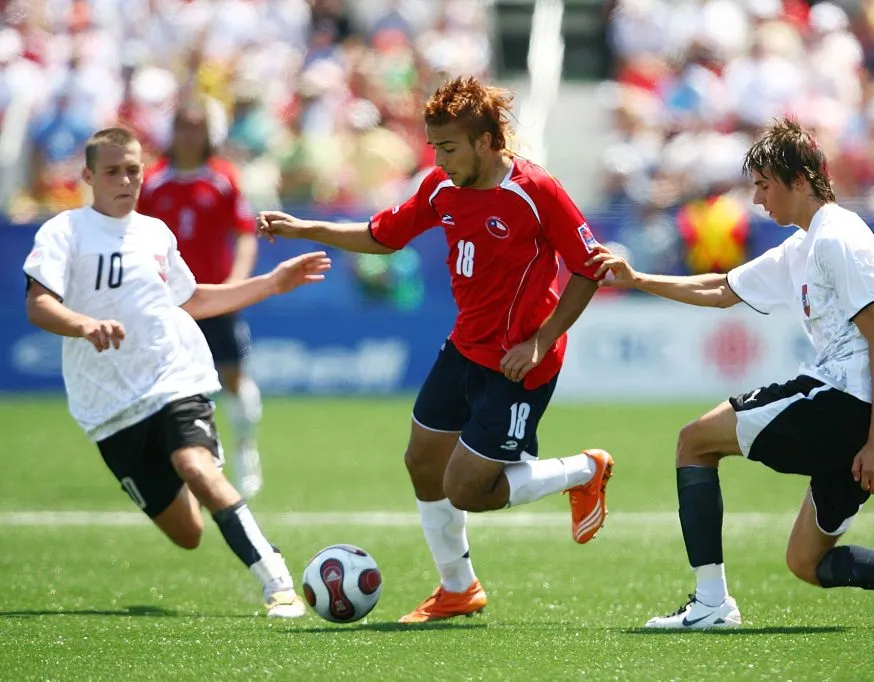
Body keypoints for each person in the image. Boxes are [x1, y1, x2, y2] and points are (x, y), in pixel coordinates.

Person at [587, 117, 874, 632]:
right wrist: (637, 281)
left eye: (765, 186)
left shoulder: (839, 237)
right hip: (865, 411)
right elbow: (723, 289)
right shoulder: (803, 245)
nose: (759, 200)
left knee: (694, 442)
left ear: (802, 180)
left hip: (849, 402)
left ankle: (710, 604)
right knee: (807, 563)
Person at [259, 76, 614, 623]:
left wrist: (540, 341)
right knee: (422, 462)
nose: (440, 159)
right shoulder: (440, 188)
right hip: (465, 348)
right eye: (435, 148)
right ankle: (458, 588)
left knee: (469, 488)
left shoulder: (534, 191)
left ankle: (584, 470)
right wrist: (306, 227)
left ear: (487, 142)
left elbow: (593, 268)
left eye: (449, 147)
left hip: (520, 365)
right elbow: (384, 236)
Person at [23, 127, 332, 618]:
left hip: (174, 379)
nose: (125, 180)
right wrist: (84, 324)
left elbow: (194, 300)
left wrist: (270, 284)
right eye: (112, 171)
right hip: (108, 407)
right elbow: (39, 305)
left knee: (196, 466)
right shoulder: (63, 232)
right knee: (188, 534)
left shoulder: (155, 233)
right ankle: (201, 479)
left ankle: (276, 580)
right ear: (88, 176)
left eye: (133, 170)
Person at [137, 98, 264, 498]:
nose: (189, 133)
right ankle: (182, 463)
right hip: (167, 303)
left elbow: (245, 232)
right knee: (168, 385)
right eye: (183, 125)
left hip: (213, 297)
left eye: (196, 125)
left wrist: (236, 284)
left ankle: (246, 453)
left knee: (233, 378)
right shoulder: (153, 181)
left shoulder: (223, 178)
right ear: (172, 131)